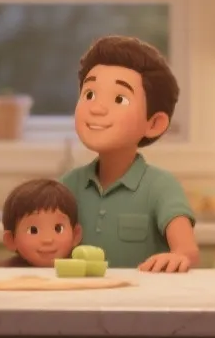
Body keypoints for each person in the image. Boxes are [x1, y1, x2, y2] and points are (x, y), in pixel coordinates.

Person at [59, 35, 199, 272]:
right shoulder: (68, 186)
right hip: (79, 302)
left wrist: (179, 258)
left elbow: (187, 250)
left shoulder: (160, 186)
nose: (97, 108)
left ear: (154, 123)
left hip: (142, 304)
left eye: (119, 99)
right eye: (89, 94)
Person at [0, 178, 82, 267]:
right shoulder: (4, 274)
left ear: (75, 235)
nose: (48, 240)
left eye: (58, 229)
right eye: (33, 230)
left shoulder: (81, 270)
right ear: (11, 240)